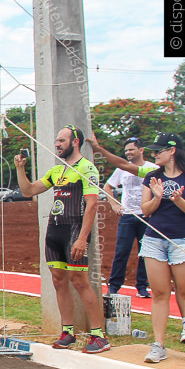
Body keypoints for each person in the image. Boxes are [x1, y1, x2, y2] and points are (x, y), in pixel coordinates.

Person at [93, 132, 185, 362]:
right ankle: (158, 345)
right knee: (159, 293)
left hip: (183, 240)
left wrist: (178, 201)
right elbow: (145, 209)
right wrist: (158, 198)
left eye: (159, 150)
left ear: (173, 151)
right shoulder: (152, 177)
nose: (155, 154)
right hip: (154, 240)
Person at [16, 126, 109, 354]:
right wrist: (20, 168)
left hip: (74, 231)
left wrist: (82, 238)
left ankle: (99, 335)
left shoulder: (87, 168)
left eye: (61, 140)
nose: (57, 144)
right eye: (56, 140)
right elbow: (28, 190)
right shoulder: (57, 170)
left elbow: (92, 205)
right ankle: (67, 332)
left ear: (75, 142)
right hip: (54, 231)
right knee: (58, 280)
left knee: (80, 281)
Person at [100, 137, 156, 298]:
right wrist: (114, 204)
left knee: (145, 252)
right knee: (121, 251)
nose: (128, 153)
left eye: (131, 149)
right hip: (127, 216)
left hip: (146, 217)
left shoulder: (152, 168)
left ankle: (142, 286)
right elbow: (107, 187)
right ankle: (115, 285)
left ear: (141, 150)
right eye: (126, 151)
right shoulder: (122, 169)